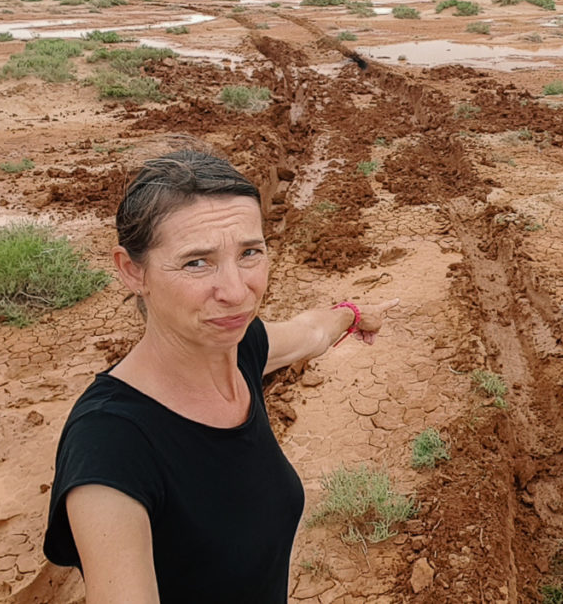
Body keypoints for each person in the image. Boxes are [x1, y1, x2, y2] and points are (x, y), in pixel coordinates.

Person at [43, 149, 398, 603]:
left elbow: (310, 332)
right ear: (133, 271)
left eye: (250, 252)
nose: (235, 292)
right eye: (197, 262)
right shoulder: (110, 447)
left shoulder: (238, 350)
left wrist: (353, 314)